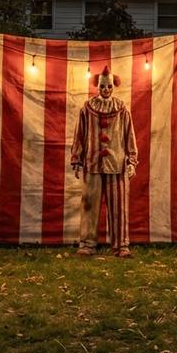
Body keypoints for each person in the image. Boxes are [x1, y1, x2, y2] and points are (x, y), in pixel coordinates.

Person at [71, 66, 138, 257]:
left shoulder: (122, 109)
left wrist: (132, 160)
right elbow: (80, 134)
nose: (106, 90)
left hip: (117, 164)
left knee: (119, 207)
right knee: (89, 205)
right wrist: (76, 159)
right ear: (97, 86)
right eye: (103, 86)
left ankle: (120, 246)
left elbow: (129, 135)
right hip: (92, 163)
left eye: (109, 86)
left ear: (113, 86)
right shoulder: (87, 108)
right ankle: (87, 244)